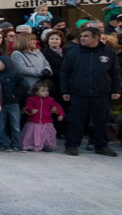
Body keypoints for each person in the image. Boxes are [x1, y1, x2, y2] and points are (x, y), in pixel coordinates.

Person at [60, 27, 121, 156]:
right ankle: (71, 145)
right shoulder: (73, 53)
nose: (82, 38)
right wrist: (65, 91)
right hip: (78, 93)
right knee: (76, 120)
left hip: (101, 93)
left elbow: (115, 73)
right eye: (81, 36)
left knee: (101, 121)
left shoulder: (108, 52)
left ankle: (101, 146)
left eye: (86, 36)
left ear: (96, 38)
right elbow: (65, 73)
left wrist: (116, 89)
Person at [22, 82, 64, 152]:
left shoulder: (50, 100)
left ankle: (46, 145)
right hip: (34, 121)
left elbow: (57, 106)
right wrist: (31, 110)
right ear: (36, 92)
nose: (46, 93)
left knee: (47, 134)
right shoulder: (31, 99)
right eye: (43, 91)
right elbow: (27, 106)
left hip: (46, 121)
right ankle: (31, 145)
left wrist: (61, 114)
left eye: (47, 90)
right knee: (32, 135)